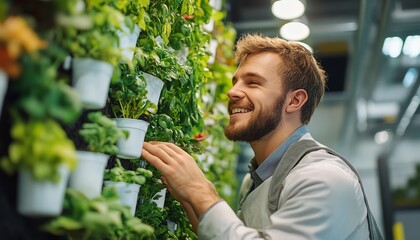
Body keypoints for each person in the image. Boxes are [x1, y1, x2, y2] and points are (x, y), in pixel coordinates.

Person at [141, 34, 382, 239]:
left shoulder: (323, 178)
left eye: (253, 83)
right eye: (235, 82)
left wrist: (200, 191)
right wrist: (187, 199)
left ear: (294, 101)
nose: (232, 92)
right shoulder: (257, 178)